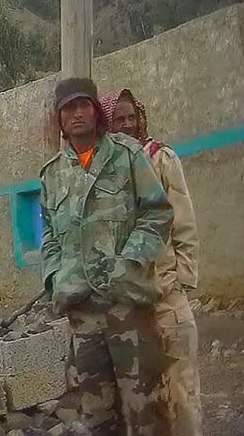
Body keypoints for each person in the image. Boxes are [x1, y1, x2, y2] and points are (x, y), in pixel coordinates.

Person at [40, 78, 174, 435]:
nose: (77, 113)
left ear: (97, 112)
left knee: (147, 413)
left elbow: (158, 213)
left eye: (84, 105)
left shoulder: (126, 155)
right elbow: (49, 235)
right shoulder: (52, 175)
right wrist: (55, 277)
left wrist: (129, 262)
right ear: (59, 118)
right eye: (69, 108)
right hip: (83, 316)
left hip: (127, 307)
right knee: (97, 418)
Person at [102, 88, 201, 434]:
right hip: (127, 305)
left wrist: (180, 280)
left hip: (166, 298)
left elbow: (183, 222)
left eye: (132, 117)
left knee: (181, 392)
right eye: (119, 119)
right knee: (141, 400)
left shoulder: (161, 159)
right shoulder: (103, 171)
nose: (128, 125)